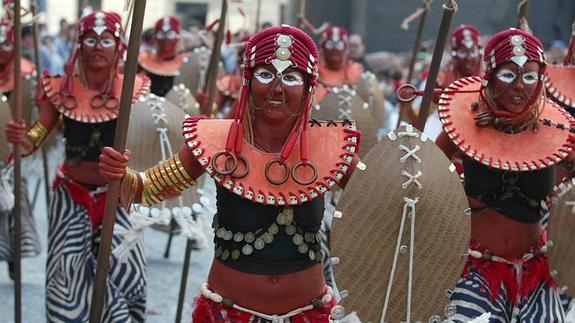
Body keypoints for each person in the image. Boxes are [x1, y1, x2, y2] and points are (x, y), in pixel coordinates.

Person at [100, 25, 362, 322]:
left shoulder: (331, 146)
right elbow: (146, 188)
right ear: (248, 80)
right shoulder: (216, 140)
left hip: (309, 314)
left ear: (308, 86)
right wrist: (122, 174)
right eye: (265, 74)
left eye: (290, 77)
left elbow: (383, 197)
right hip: (226, 314)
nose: (277, 87)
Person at [5, 11, 150, 322]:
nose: (98, 46)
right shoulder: (60, 90)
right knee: (66, 276)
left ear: (118, 46)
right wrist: (21, 138)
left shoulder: (134, 89)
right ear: (79, 45)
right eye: (90, 39)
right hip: (70, 196)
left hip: (118, 196)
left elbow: (146, 144)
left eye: (106, 40)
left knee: (127, 273)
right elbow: (36, 139)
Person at [432, 28, 574, 321]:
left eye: (530, 76)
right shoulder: (463, 124)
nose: (520, 86)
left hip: (537, 276)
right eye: (509, 75)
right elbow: (427, 172)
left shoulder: (556, 132)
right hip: (474, 270)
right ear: (490, 76)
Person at [0, 18, 40, 280]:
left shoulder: (25, 72)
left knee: (16, 209)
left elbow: (35, 116)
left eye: (5, 43)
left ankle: (15, 259)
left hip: (12, 155)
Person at [139, 16, 186, 97]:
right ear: (155, 37)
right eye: (161, 33)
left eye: (170, 34)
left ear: (178, 36)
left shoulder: (186, 62)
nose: (165, 38)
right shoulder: (144, 60)